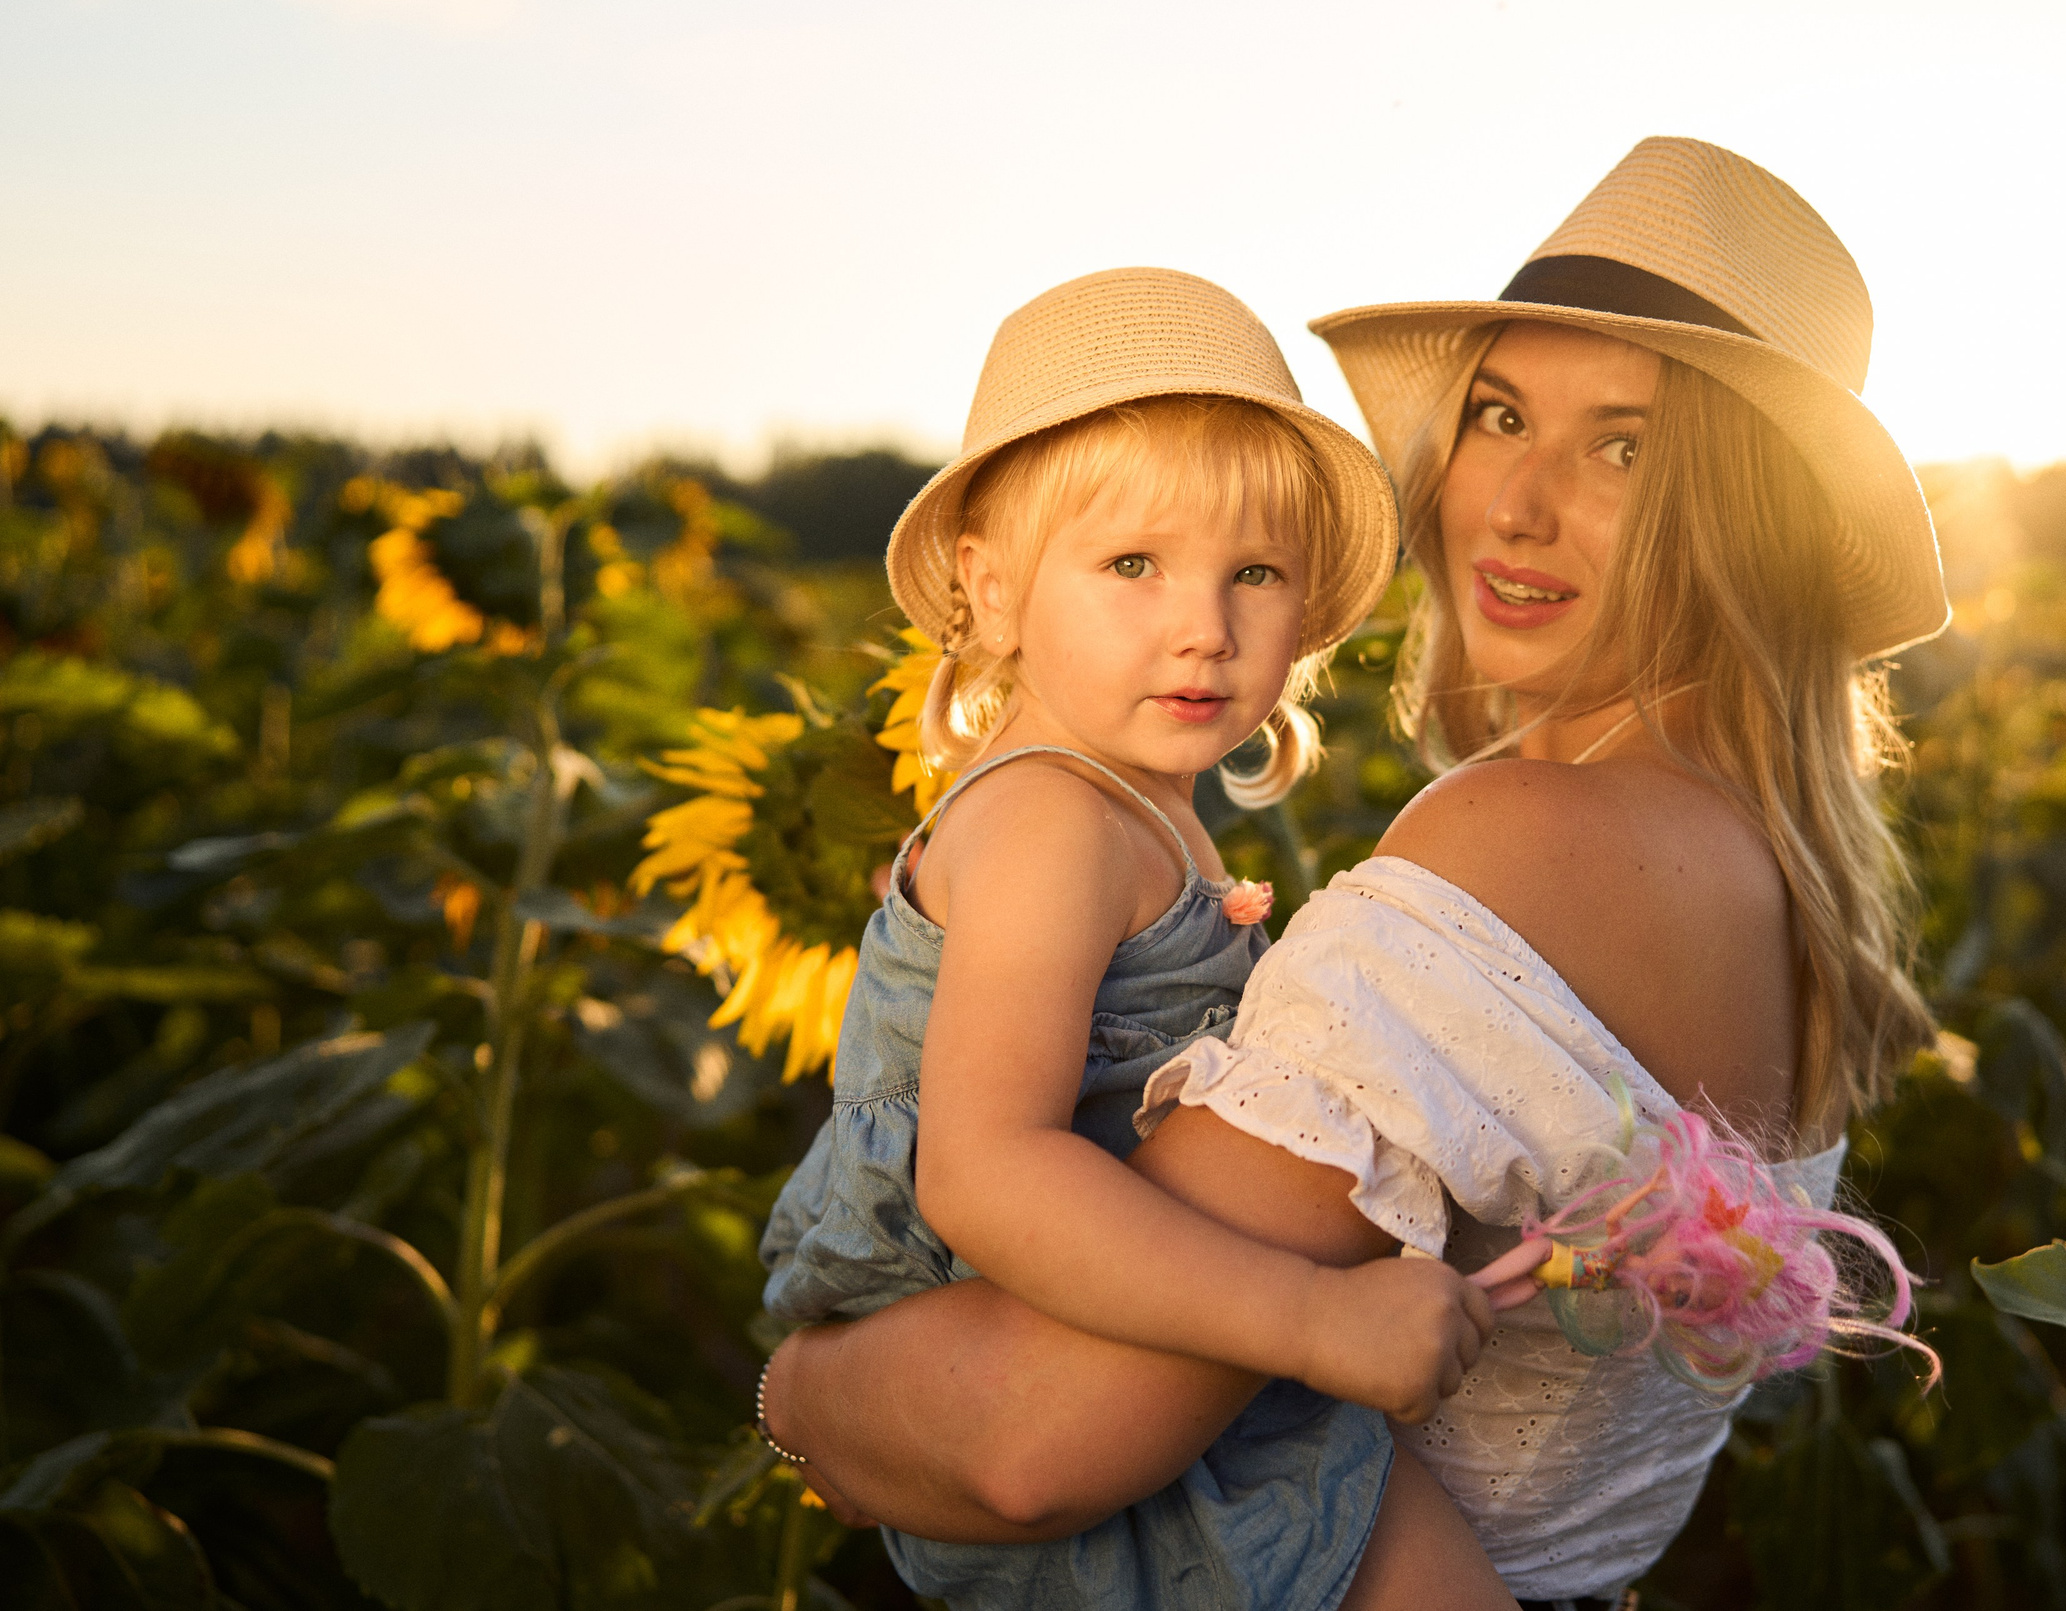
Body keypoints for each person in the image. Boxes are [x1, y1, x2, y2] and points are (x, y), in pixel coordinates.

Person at [762, 139, 1950, 1606]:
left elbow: (1029, 1444)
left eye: (1624, 448)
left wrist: (797, 1400)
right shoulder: (1764, 878)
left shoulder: (1527, 845)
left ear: (1750, 521)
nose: (1515, 505)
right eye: (1501, 416)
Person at [755, 266, 1502, 1609]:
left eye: (1254, 573)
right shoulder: (1051, 821)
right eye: (1132, 565)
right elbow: (984, 1174)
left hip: (1150, 1321)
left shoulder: (1131, 813)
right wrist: (1319, 1319)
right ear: (991, 594)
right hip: (1054, 1338)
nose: (1203, 628)